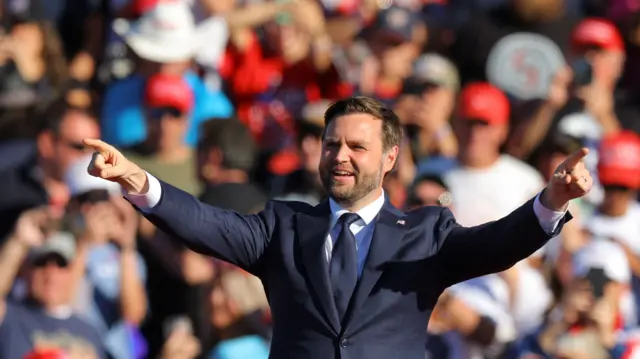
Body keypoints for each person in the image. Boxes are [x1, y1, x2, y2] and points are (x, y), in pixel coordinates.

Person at [84, 96, 592, 359]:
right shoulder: (283, 224)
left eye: (357, 147)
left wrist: (553, 200)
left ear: (390, 157)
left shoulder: (426, 233)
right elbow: (205, 224)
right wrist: (135, 178)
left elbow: (496, 244)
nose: (340, 156)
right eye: (332, 145)